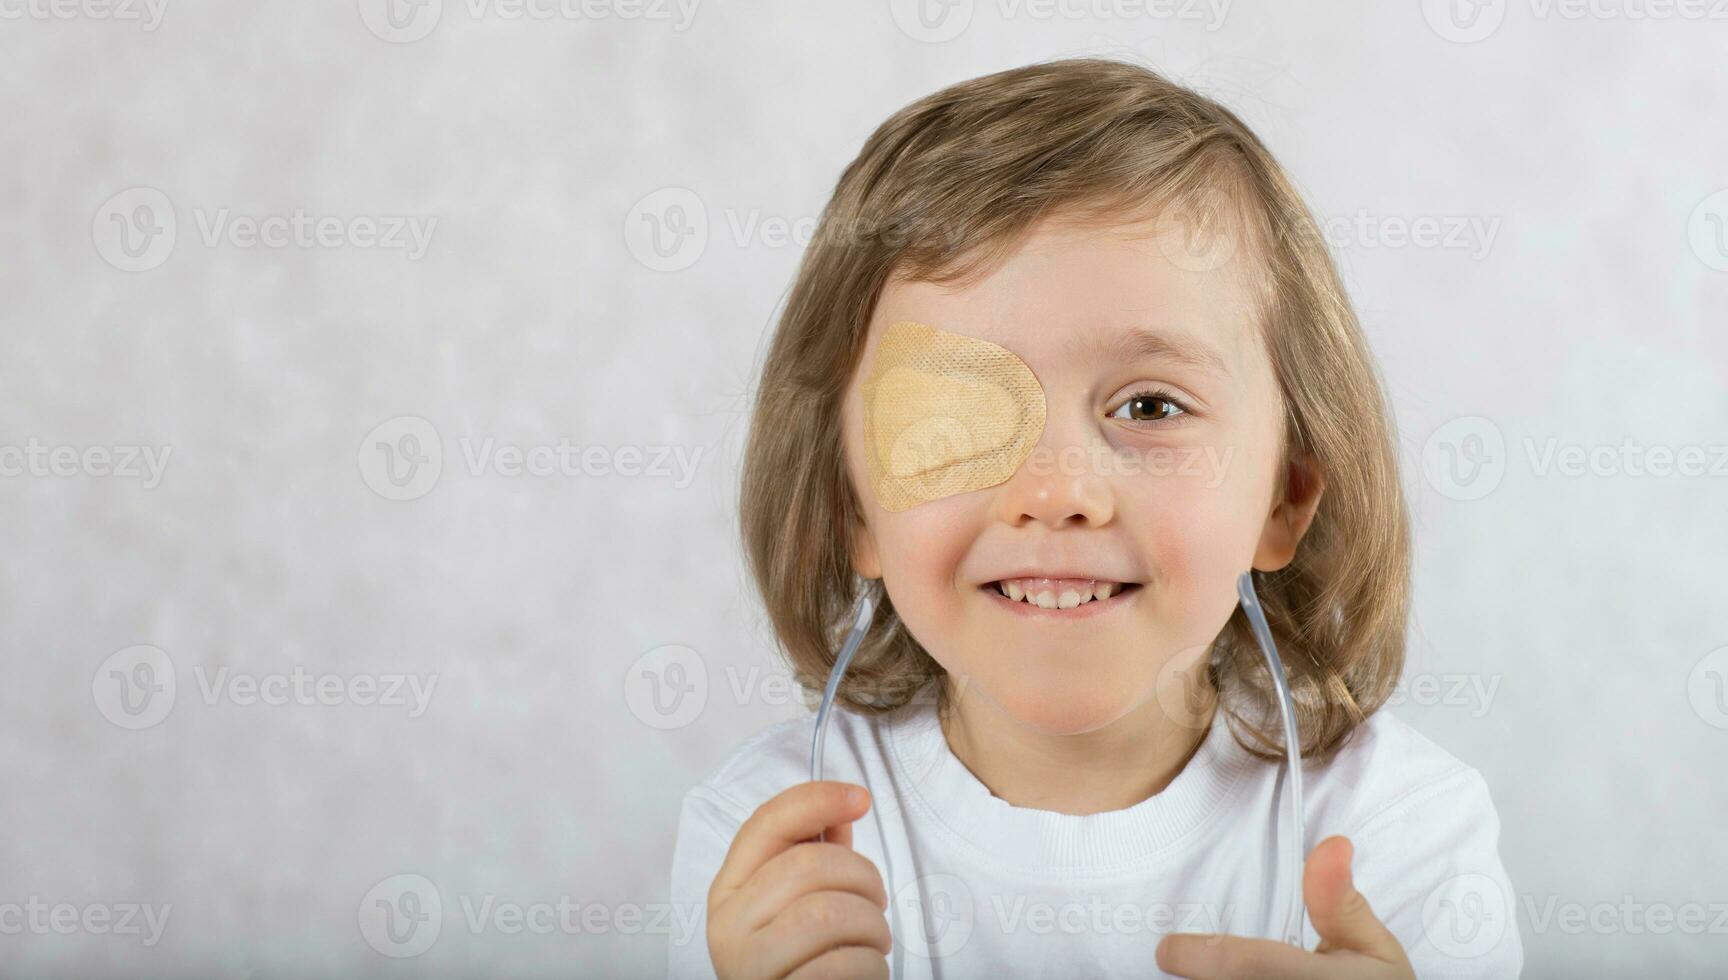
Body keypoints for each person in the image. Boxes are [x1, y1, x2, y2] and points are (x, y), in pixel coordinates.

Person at [668, 57, 1522, 980]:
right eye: (958, 415)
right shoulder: (774, 856)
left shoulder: (1399, 836)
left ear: (1286, 498)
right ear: (852, 507)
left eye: (1150, 408)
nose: (1056, 489)